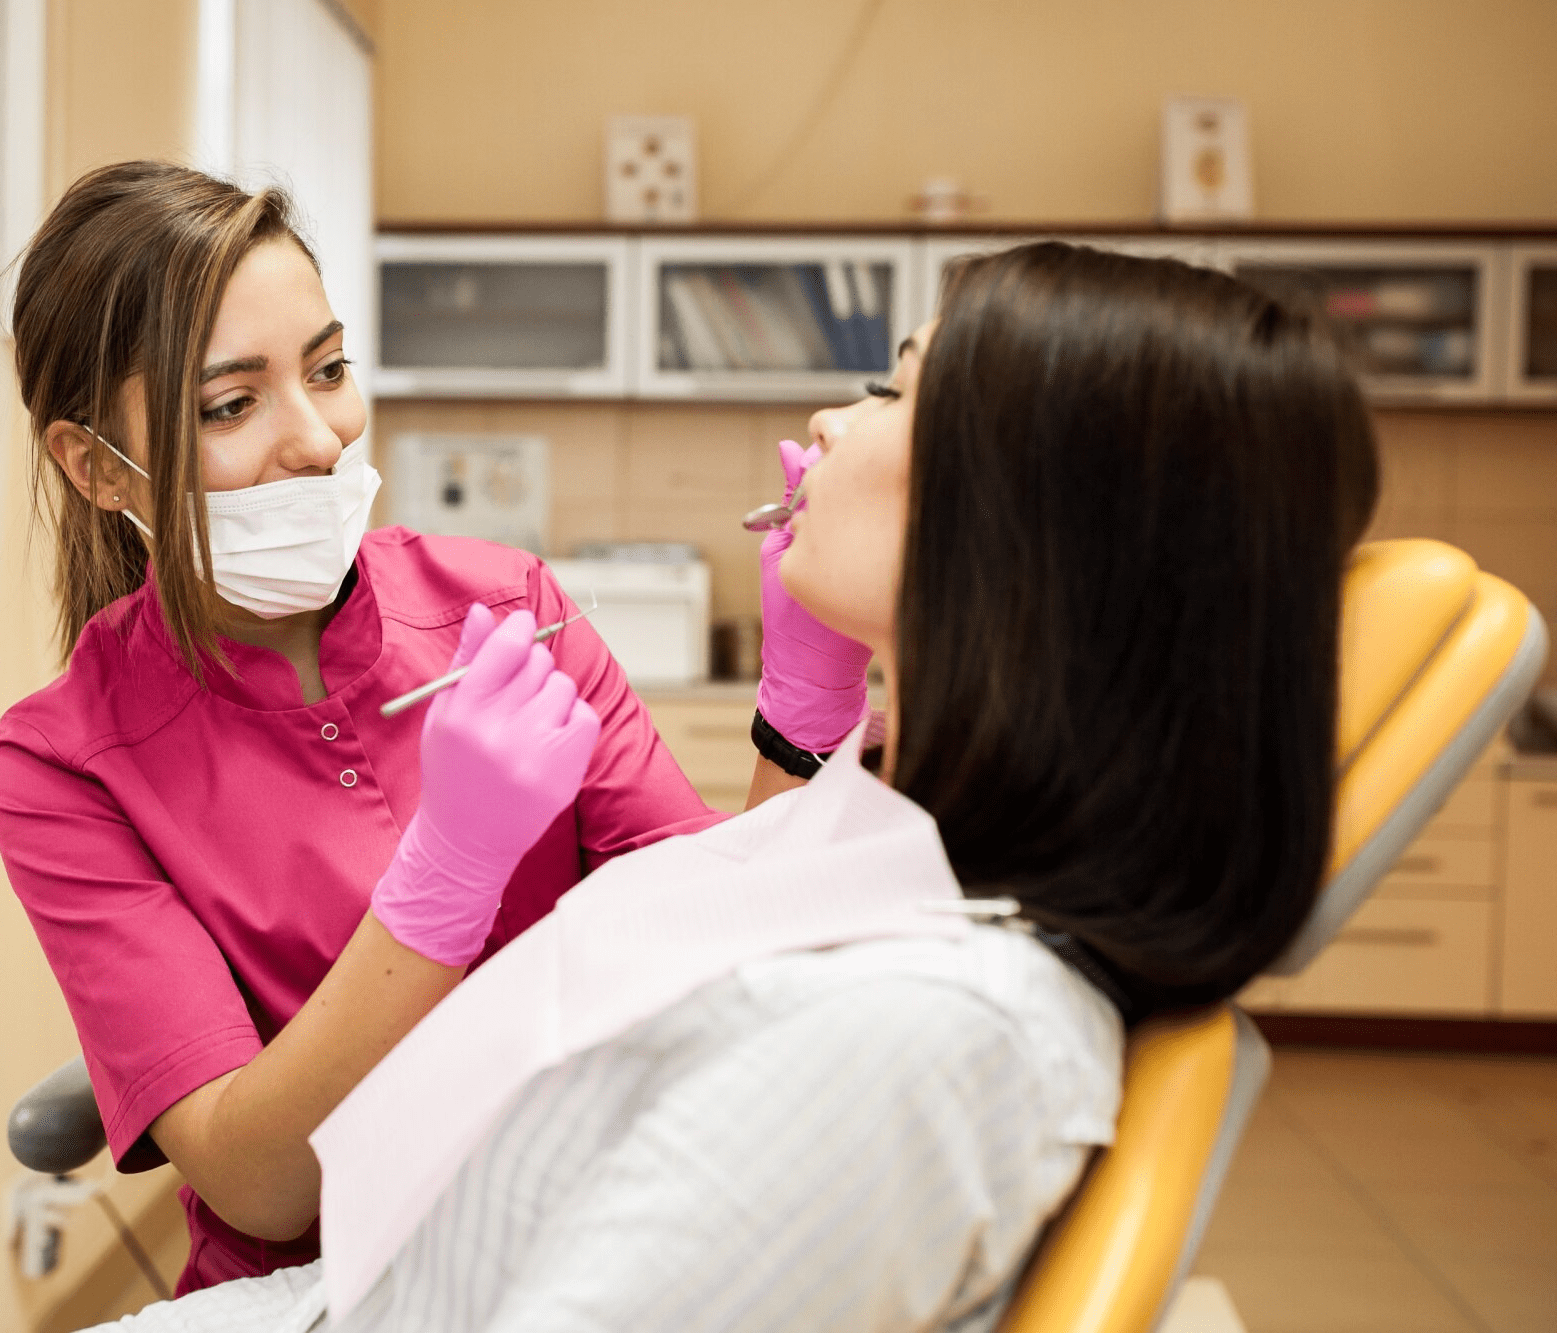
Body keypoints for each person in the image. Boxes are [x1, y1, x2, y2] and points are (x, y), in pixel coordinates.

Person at [80, 240, 1381, 1332]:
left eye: (891, 392)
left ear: (1029, 530)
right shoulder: (923, 864)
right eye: (229, 403)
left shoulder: (913, 1041)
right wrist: (802, 724)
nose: (827, 425)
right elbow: (727, 925)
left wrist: (801, 718)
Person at [0, 161, 867, 1293]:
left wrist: (801, 718)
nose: (319, 438)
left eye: (328, 371)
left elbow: (720, 961)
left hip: (592, 1235)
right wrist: (446, 871)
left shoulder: (507, 607)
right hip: (332, 1288)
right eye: (231, 405)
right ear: (97, 467)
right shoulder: (62, 763)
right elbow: (260, 1186)